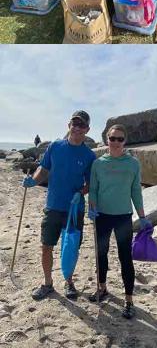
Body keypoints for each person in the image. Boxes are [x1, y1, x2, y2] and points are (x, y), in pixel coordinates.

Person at [23, 110, 97, 301]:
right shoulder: (55, 146)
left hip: (74, 209)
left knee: (70, 247)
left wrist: (81, 193)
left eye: (82, 125)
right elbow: (43, 168)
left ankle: (69, 281)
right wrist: (33, 180)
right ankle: (47, 283)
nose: (77, 128)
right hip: (53, 206)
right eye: (75, 123)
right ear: (69, 125)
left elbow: (90, 183)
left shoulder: (89, 156)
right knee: (46, 245)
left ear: (87, 129)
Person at [87, 124, 147, 319]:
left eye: (120, 139)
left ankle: (129, 300)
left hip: (123, 216)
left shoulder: (133, 163)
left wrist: (143, 216)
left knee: (125, 257)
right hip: (102, 215)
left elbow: (136, 191)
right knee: (101, 253)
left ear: (125, 141)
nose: (115, 142)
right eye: (112, 138)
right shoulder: (98, 163)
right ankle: (102, 288)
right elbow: (94, 189)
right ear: (107, 139)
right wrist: (92, 207)